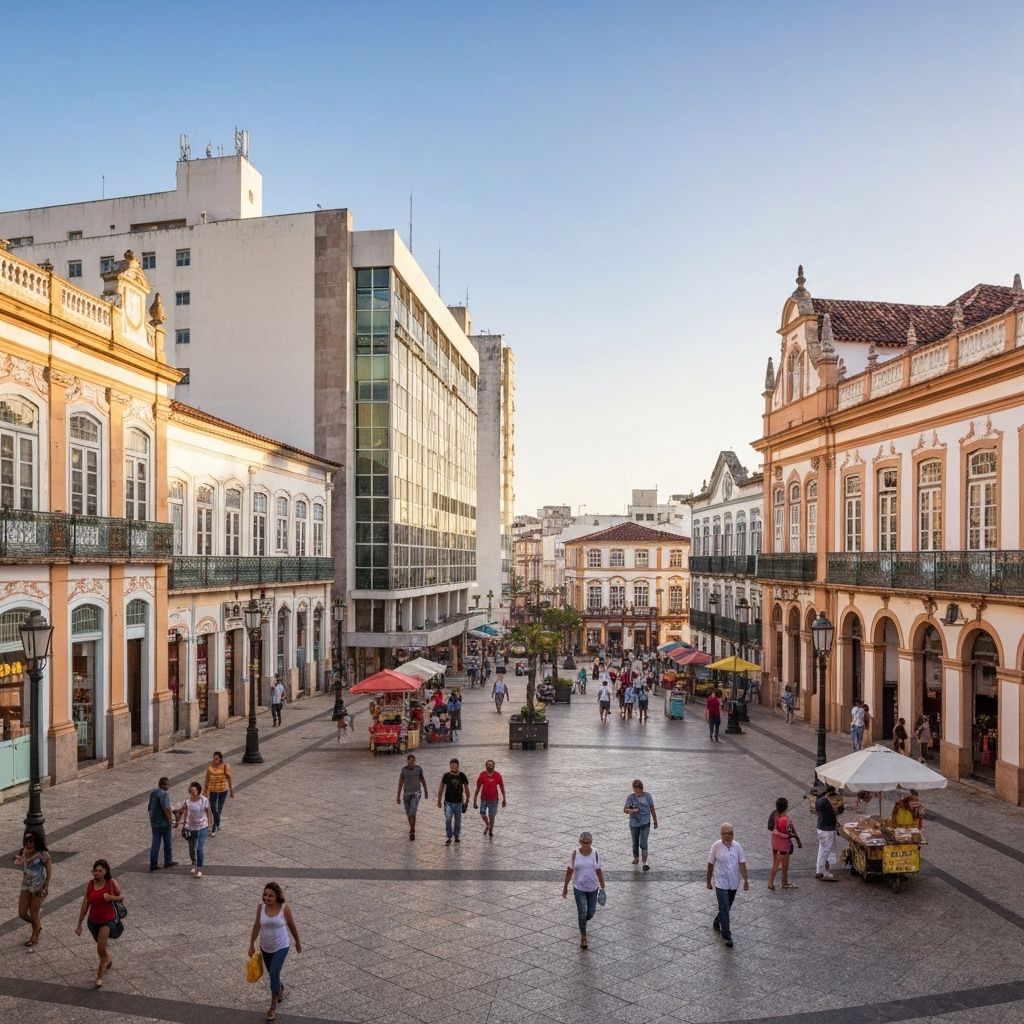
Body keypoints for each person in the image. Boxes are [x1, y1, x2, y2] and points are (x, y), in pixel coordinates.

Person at [249, 882, 302, 1022]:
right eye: (265, 895)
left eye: (270, 895)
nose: (267, 898)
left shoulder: (284, 909)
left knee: (273, 973)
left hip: (281, 946)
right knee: (273, 974)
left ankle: (272, 1006)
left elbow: (292, 925)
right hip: (265, 947)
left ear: (277, 896)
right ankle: (280, 986)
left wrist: (297, 942)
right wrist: (251, 944)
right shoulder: (261, 908)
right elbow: (256, 926)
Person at [75, 859, 123, 988]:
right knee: (102, 949)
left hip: (107, 921)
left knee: (100, 948)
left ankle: (99, 977)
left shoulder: (111, 883)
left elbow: (121, 898)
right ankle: (108, 959)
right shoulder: (90, 884)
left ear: (106, 872)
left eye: (100, 870)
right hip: (93, 922)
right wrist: (79, 923)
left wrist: (110, 897)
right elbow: (86, 903)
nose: (96, 872)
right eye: (95, 870)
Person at [706, 823, 748, 948]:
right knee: (724, 907)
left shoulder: (737, 846)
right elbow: (710, 864)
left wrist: (746, 880)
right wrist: (708, 881)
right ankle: (727, 936)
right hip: (720, 882)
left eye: (731, 833)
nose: (728, 836)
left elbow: (742, 863)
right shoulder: (716, 846)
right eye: (726, 833)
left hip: (734, 882)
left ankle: (717, 921)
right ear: (721, 834)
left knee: (727, 907)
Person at [561, 831, 606, 950]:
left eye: (589, 842)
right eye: (584, 842)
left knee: (590, 913)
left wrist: (602, 886)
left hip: (592, 888)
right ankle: (583, 937)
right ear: (580, 842)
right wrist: (565, 886)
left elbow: (598, 870)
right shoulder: (575, 853)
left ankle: (582, 922)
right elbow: (569, 870)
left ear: (591, 842)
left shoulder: (595, 853)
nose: (586, 844)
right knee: (582, 912)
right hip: (579, 887)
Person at [15, 831, 50, 947]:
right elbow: (18, 863)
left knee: (34, 913)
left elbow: (49, 870)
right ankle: (37, 926)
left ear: (37, 842)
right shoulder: (24, 852)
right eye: (27, 841)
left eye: (31, 841)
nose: (28, 844)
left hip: (38, 886)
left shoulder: (43, 854)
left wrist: (47, 883)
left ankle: (35, 935)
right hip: (26, 885)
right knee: (22, 913)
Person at [177, 781, 214, 877]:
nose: (192, 793)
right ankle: (194, 863)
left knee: (199, 848)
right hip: (190, 828)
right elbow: (184, 813)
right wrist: (182, 825)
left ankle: (198, 869)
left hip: (202, 827)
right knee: (191, 849)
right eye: (191, 791)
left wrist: (210, 826)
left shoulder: (204, 800)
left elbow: (208, 812)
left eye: (194, 791)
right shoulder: (187, 802)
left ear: (198, 791)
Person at [767, 797, 802, 891]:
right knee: (779, 864)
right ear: (786, 807)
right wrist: (796, 840)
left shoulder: (774, 814)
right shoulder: (785, 819)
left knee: (781, 864)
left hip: (774, 841)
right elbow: (790, 832)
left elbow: (770, 827)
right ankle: (771, 883)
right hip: (783, 844)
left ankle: (784, 882)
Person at [624, 780, 658, 870]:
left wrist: (655, 820)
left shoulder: (647, 796)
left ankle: (644, 863)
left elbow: (652, 808)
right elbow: (625, 809)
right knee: (635, 842)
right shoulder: (631, 797)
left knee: (643, 842)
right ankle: (636, 857)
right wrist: (630, 810)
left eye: (639, 790)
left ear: (642, 789)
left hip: (645, 822)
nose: (637, 792)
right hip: (634, 823)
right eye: (635, 790)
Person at [437, 758, 470, 845]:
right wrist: (439, 801)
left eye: (455, 766)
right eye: (452, 766)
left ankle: (457, 836)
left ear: (458, 766)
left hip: (459, 803)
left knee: (458, 821)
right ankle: (449, 836)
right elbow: (441, 788)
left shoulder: (462, 776)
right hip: (448, 802)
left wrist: (467, 800)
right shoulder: (446, 776)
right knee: (448, 819)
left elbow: (466, 789)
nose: (454, 767)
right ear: (450, 766)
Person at [397, 753, 429, 840]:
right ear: (407, 761)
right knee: (408, 813)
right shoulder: (404, 770)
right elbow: (400, 782)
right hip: (406, 793)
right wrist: (398, 796)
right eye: (409, 760)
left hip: (416, 793)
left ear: (415, 761)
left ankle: (412, 831)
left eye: (412, 760)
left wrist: (426, 791)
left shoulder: (419, 769)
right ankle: (412, 827)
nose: (411, 762)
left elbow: (422, 780)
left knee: (412, 812)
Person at [814, 786, 843, 881]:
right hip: (827, 830)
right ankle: (820, 871)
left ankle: (821, 870)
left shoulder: (819, 801)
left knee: (822, 849)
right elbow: (835, 812)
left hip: (820, 828)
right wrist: (838, 805)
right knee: (826, 851)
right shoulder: (827, 805)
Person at [147, 776, 177, 871]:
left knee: (155, 843)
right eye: (167, 785)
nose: (168, 787)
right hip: (163, 823)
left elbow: (149, 807)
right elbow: (167, 809)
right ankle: (168, 861)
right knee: (167, 842)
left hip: (154, 823)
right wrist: (170, 819)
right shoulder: (164, 794)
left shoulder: (153, 793)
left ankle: (153, 864)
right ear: (164, 785)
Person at [473, 759, 506, 837]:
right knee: (482, 813)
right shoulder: (482, 775)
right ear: (486, 766)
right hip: (484, 799)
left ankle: (490, 831)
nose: (489, 765)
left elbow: (501, 787)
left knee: (492, 816)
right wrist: (474, 801)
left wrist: (504, 799)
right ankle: (488, 824)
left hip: (494, 800)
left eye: (490, 764)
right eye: (487, 764)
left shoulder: (497, 775)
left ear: (493, 766)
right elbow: (477, 788)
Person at [204, 751, 234, 835]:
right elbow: (207, 780)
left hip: (223, 790)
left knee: (219, 808)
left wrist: (231, 791)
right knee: (213, 807)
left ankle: (215, 826)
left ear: (220, 758)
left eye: (216, 758)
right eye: (213, 758)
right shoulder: (210, 768)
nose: (214, 760)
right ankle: (217, 823)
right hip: (213, 790)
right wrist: (205, 791)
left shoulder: (225, 765)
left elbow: (229, 778)